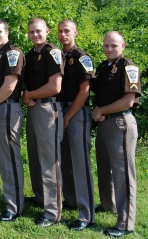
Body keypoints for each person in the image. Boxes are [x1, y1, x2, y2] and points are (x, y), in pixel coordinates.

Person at [91, 31, 140, 237]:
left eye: (114, 45)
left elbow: (128, 101)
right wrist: (97, 110)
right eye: (106, 45)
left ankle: (125, 222)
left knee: (123, 173)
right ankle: (108, 205)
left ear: (123, 45)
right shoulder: (103, 67)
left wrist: (101, 111)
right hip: (104, 123)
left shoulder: (129, 68)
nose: (109, 49)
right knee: (105, 168)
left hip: (121, 122)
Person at [22, 18, 64, 227]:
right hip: (34, 108)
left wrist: (29, 94)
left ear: (47, 31)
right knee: (36, 157)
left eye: (38, 31)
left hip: (48, 109)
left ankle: (53, 211)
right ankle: (41, 198)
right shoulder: (31, 55)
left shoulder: (52, 52)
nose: (35, 35)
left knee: (50, 161)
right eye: (31, 32)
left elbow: (55, 86)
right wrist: (29, 97)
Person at [0, 18, 25, 221]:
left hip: (8, 108)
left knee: (9, 159)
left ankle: (14, 207)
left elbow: (10, 86)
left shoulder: (12, 53)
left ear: (7, 32)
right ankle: (0, 193)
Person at [57, 20, 95, 231]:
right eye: (60, 31)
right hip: (60, 110)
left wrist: (69, 116)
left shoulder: (83, 57)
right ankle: (71, 201)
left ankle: (86, 214)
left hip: (76, 112)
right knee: (66, 162)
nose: (63, 35)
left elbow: (85, 91)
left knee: (80, 164)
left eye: (67, 31)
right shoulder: (60, 56)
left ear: (75, 33)